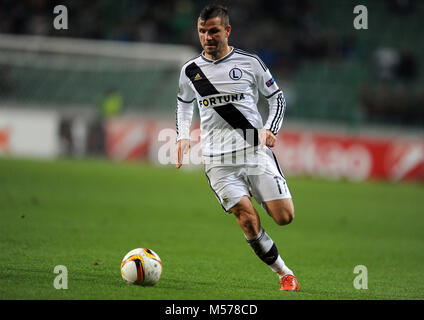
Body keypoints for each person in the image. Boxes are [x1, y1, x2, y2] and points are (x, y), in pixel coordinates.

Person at [174, 4, 299, 291]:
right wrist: (182, 135)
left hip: (254, 153)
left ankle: (262, 198)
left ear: (227, 31)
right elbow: (183, 102)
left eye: (214, 31)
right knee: (246, 218)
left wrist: (270, 129)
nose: (207, 37)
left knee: (284, 217)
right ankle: (284, 274)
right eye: (202, 31)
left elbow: (276, 97)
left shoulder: (250, 63)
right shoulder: (190, 71)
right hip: (218, 161)